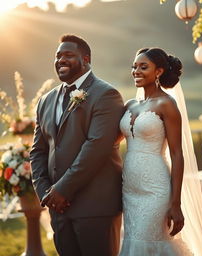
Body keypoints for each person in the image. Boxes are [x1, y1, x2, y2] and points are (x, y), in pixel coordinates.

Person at [30, 34, 124, 256]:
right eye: (57, 56)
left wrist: (62, 190)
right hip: (58, 208)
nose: (61, 59)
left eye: (68, 55)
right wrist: (46, 193)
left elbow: (96, 148)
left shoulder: (106, 95)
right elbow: (38, 151)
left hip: (95, 206)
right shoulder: (46, 100)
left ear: (86, 59)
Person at [119, 48, 202, 255]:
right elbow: (110, 140)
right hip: (129, 189)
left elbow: (177, 154)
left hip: (156, 189)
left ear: (159, 71)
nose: (136, 71)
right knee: (132, 240)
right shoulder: (130, 105)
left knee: (151, 243)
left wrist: (176, 203)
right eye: (134, 67)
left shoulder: (167, 105)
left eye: (143, 67)